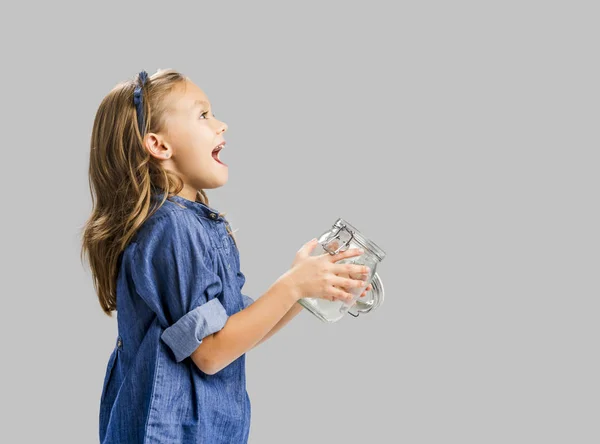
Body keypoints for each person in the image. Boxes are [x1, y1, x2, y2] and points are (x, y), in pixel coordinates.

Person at [80, 69, 372, 443]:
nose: (222, 125)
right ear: (159, 145)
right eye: (203, 115)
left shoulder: (191, 224)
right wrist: (291, 285)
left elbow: (233, 334)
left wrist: (306, 290)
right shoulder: (171, 227)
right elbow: (211, 354)